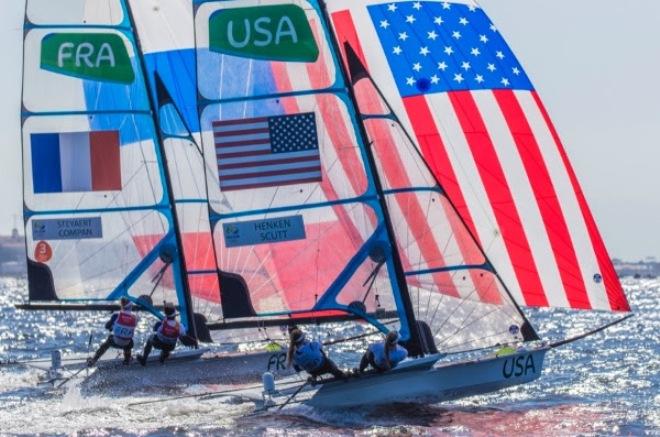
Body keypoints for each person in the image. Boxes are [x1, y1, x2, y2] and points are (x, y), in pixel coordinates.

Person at [87, 296, 138, 366]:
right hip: (127, 343)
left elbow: (107, 326)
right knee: (130, 341)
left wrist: (113, 327)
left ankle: (93, 360)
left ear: (122, 305)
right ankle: (127, 359)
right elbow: (129, 327)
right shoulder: (134, 318)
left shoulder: (116, 315)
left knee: (108, 341)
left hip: (115, 342)